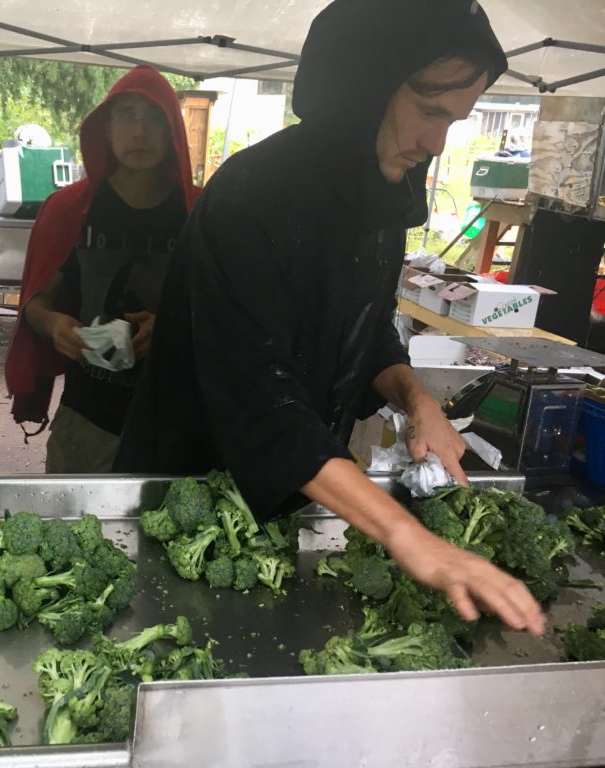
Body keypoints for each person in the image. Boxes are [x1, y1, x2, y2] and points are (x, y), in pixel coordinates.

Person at [114, 0, 545, 636]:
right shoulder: (250, 198)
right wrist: (409, 538)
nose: (437, 142)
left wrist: (415, 400)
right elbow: (264, 402)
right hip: (183, 498)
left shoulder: (377, 190)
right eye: (430, 112)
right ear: (361, 88)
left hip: (295, 492)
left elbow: (364, 328)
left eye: (454, 121)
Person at [5, 65, 199, 473]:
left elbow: (227, 313)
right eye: (127, 116)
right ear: (107, 130)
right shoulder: (69, 211)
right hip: (88, 419)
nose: (140, 132)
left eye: (153, 118)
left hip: (178, 419)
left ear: (171, 132)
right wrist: (55, 325)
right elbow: (36, 303)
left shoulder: (201, 214)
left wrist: (171, 326)